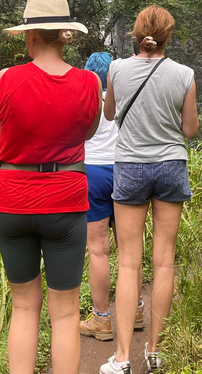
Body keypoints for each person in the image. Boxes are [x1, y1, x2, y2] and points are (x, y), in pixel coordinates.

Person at [0, 0, 102, 374]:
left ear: (29, 37)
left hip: (11, 201)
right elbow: (88, 131)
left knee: (25, 307)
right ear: (65, 36)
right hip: (65, 201)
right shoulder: (90, 83)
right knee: (64, 314)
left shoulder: (7, 79)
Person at [100, 5, 199, 374]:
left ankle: (123, 357)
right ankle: (154, 351)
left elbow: (109, 114)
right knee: (164, 260)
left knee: (128, 262)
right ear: (168, 35)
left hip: (129, 165)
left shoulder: (116, 69)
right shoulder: (185, 75)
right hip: (172, 165)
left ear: (136, 33)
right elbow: (190, 130)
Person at [79, 52, 144, 342]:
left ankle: (102, 320)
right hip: (124, 167)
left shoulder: (84, 98)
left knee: (98, 250)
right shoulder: (126, 94)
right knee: (129, 249)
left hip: (92, 172)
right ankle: (138, 311)